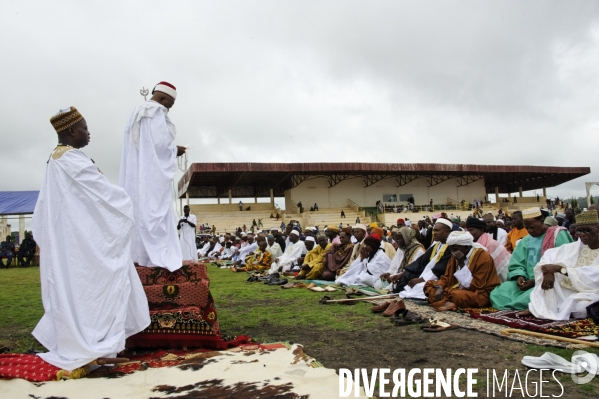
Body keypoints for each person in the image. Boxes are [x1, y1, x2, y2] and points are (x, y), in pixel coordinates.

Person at [32, 107, 149, 371]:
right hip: (83, 246)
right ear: (72, 130)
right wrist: (127, 200)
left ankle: (98, 346)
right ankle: (95, 347)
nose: (88, 133)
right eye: (84, 128)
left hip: (78, 243)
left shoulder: (56, 159)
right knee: (94, 292)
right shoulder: (71, 160)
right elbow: (105, 198)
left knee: (84, 293)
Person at [119, 82, 185, 272]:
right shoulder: (155, 112)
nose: (168, 108)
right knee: (153, 210)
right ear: (163, 98)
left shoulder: (135, 113)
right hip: (150, 175)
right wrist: (175, 150)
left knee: (139, 210)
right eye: (169, 104)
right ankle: (156, 255)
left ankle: (139, 254)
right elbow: (160, 146)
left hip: (136, 172)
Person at [490, 207, 573, 310]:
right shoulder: (526, 240)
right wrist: (519, 276)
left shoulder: (558, 236)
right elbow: (517, 263)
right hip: (526, 281)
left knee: (530, 297)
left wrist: (536, 281)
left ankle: (530, 306)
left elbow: (567, 264)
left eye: (532, 227)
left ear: (542, 220)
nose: (529, 231)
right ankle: (528, 306)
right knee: (497, 293)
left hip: (548, 282)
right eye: (527, 228)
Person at [524, 210, 599, 320]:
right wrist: (548, 272)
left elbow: (594, 276)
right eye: (579, 231)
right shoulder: (574, 247)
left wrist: (560, 269)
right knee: (546, 287)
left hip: (592, 292)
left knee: (581, 309)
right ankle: (539, 309)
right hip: (567, 291)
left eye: (587, 230)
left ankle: (555, 309)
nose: (582, 234)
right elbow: (549, 255)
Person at [424, 231, 501, 311]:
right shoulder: (455, 256)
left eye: (455, 249)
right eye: (451, 249)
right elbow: (446, 278)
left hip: (478, 293)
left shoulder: (483, 257)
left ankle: (445, 302)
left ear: (466, 247)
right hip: (454, 289)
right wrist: (439, 287)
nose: (453, 252)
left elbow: (476, 286)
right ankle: (447, 303)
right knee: (430, 286)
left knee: (458, 295)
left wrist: (461, 264)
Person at [393, 218, 453, 299]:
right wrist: (402, 274)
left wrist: (421, 279)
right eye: (434, 230)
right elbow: (420, 262)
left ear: (447, 231)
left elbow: (440, 269)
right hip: (426, 276)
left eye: (437, 231)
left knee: (420, 287)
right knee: (407, 276)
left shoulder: (451, 247)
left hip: (438, 279)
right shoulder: (436, 246)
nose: (434, 233)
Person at [465, 217, 511, 282]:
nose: (468, 233)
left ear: (481, 230)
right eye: (467, 230)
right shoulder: (474, 244)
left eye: (471, 230)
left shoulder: (491, 244)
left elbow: (503, 272)